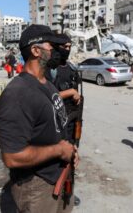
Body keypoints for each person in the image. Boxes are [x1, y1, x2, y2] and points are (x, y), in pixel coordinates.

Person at [0, 24, 79, 213]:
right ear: (35, 50)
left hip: (60, 179)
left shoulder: (47, 85)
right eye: (52, 45)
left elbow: (54, 128)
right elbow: (12, 157)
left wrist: (69, 150)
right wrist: (59, 150)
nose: (57, 50)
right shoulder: (17, 93)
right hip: (38, 188)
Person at [46, 33, 82, 206]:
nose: (67, 50)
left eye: (69, 47)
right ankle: (59, 195)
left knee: (73, 157)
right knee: (60, 159)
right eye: (64, 47)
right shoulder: (49, 70)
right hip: (57, 123)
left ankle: (69, 192)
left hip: (73, 120)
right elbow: (47, 97)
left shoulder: (71, 68)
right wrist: (70, 93)